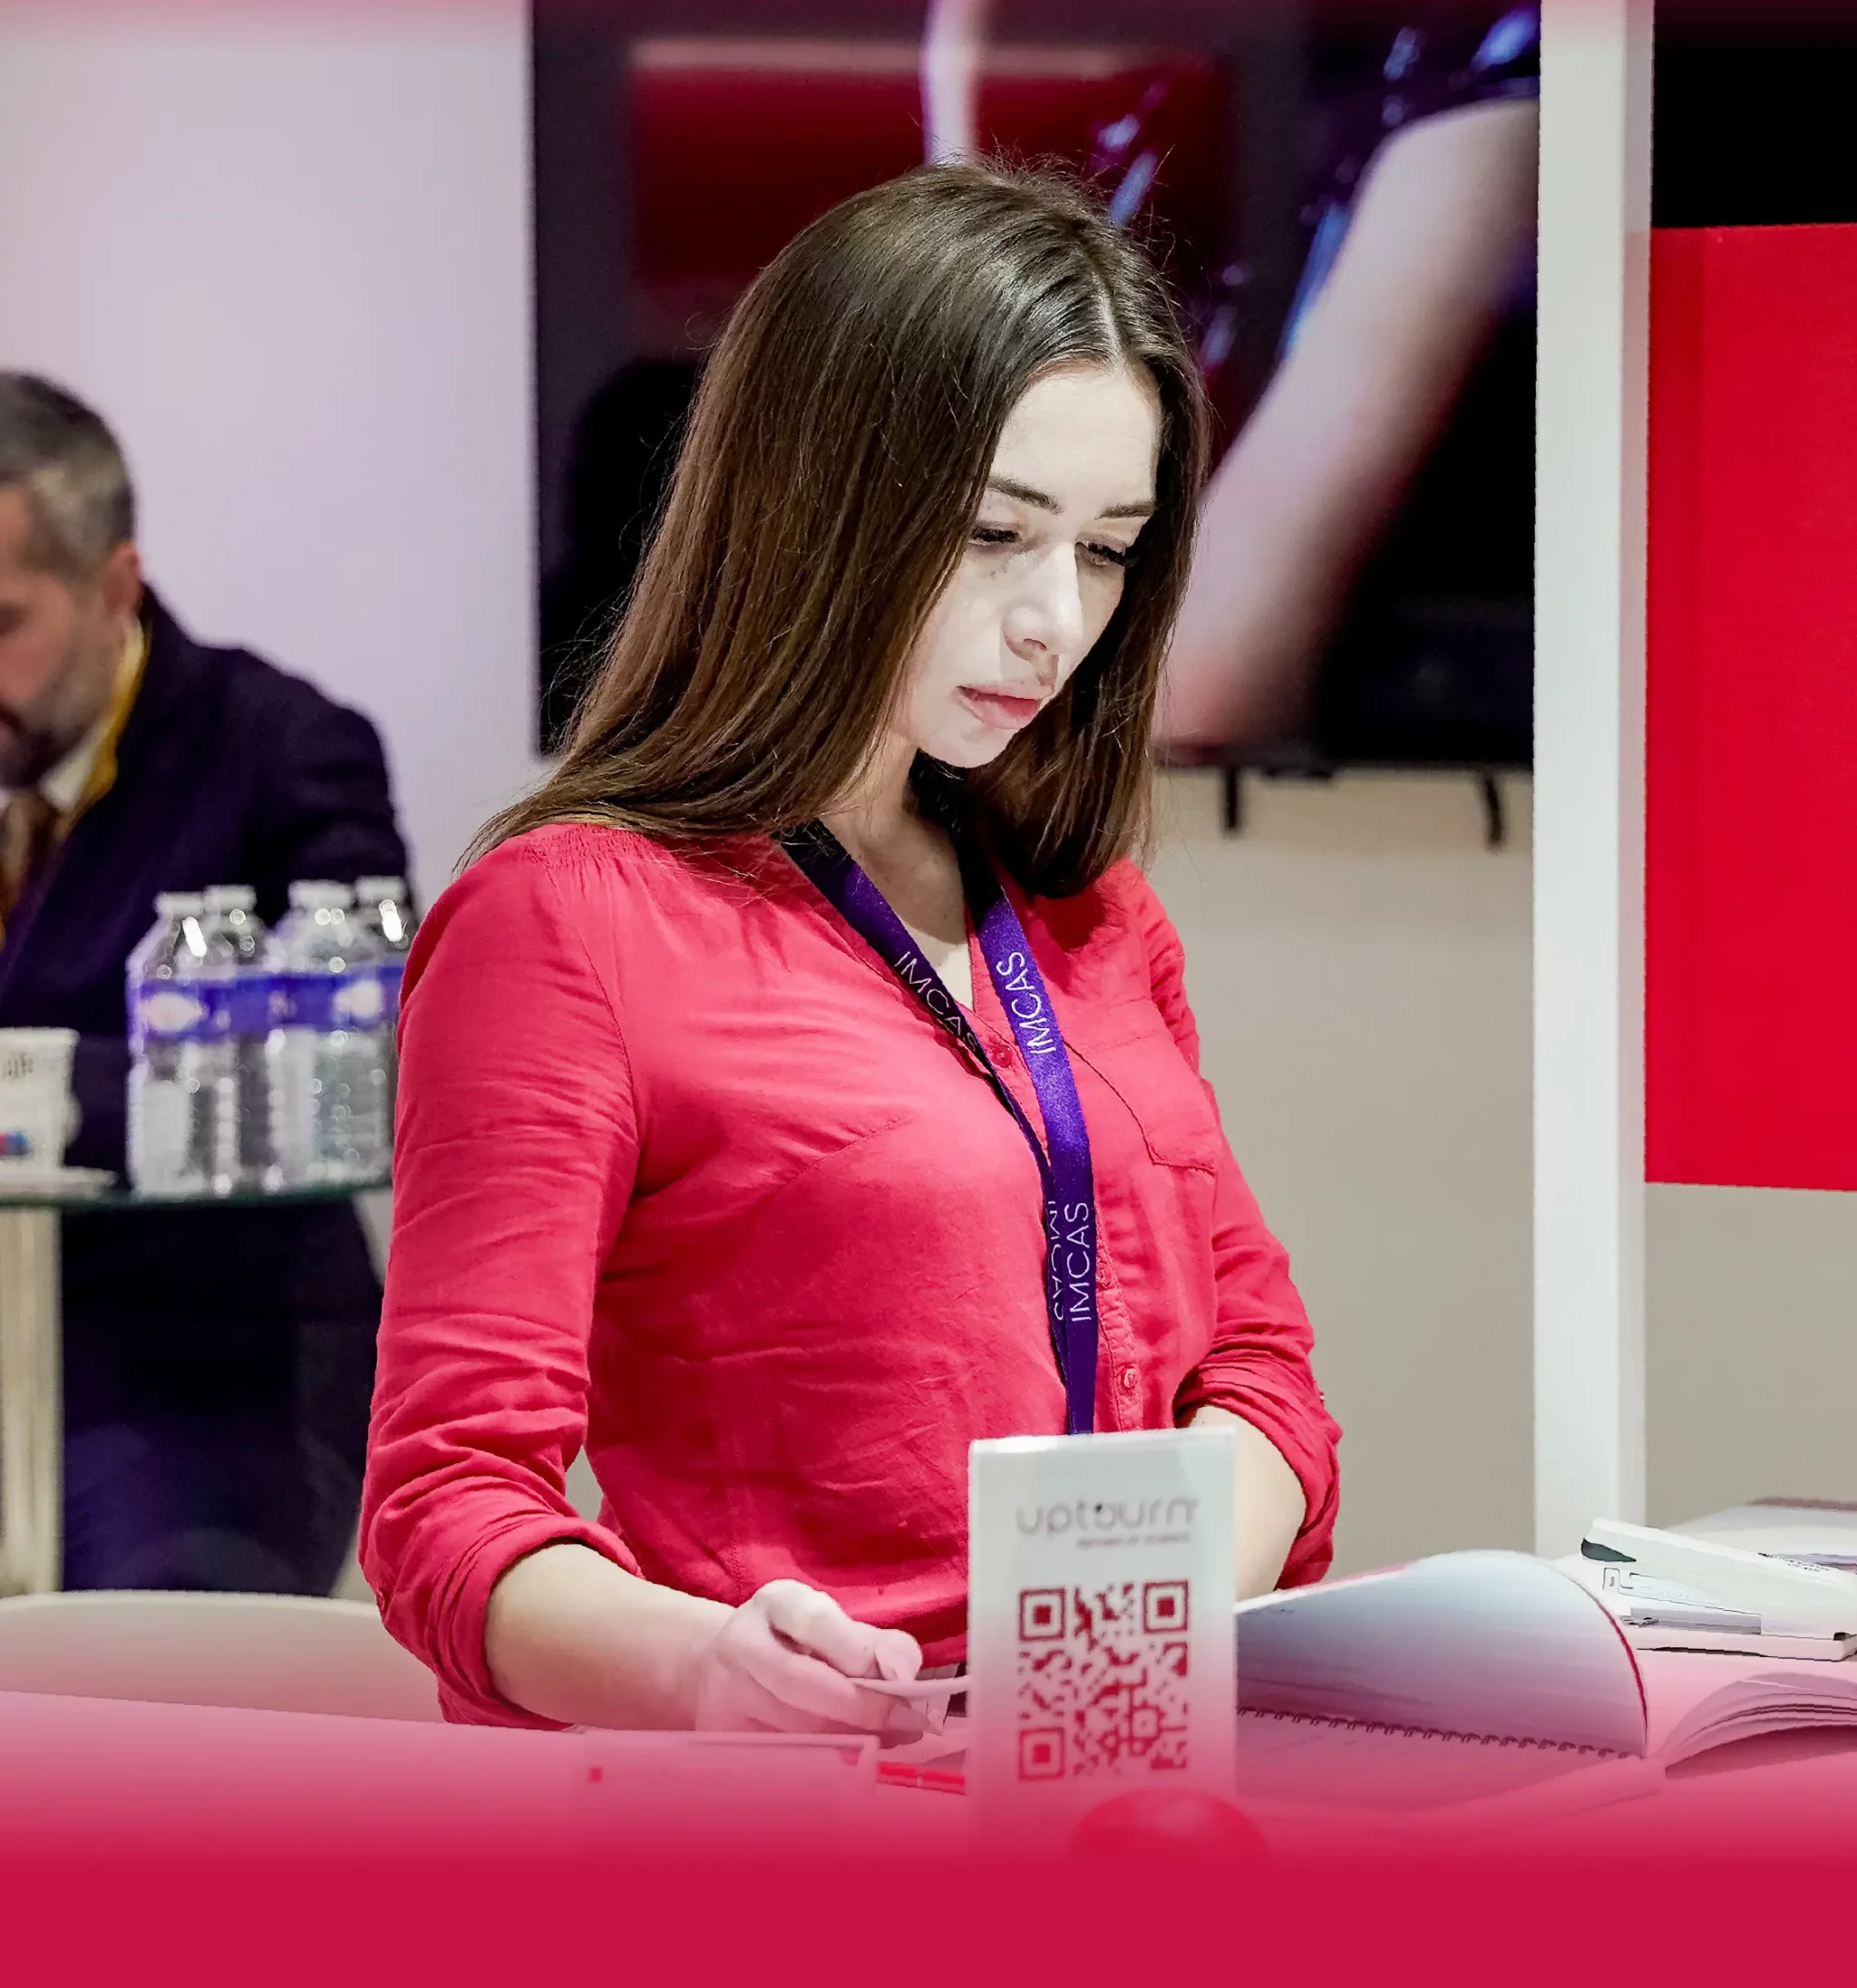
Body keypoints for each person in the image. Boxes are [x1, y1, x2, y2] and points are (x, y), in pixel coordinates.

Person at [362, 165, 1338, 1738]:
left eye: (1109, 550)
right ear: (818, 503)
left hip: (1120, 1763)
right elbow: (448, 1503)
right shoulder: (565, 924)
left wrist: (1125, 1622)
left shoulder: (1090, 913)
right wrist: (705, 1669)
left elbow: (1261, 1369)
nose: (1054, 621)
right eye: (996, 532)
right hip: (794, 1795)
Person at [0, 372, 409, 1593]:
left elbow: (354, 1062)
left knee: (144, 1666)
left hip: (210, 1369)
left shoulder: (284, 750)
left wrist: (34, 1093)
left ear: (114, 585)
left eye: (3, 623)